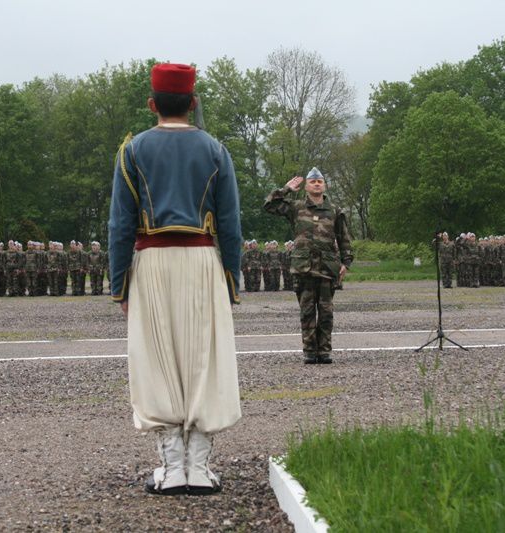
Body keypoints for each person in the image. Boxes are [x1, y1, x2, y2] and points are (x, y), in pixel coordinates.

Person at [108, 63, 242, 496]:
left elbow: (119, 225)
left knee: (156, 359)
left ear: (152, 104)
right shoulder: (216, 150)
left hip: (151, 262)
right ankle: (200, 466)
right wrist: (231, 279)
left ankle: (172, 467)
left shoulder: (133, 150)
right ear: (193, 102)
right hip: (202, 260)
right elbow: (230, 223)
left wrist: (119, 284)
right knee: (205, 358)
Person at [264, 167, 353, 364]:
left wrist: (346, 263)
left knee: (326, 312)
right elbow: (269, 205)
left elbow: (344, 238)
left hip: (327, 269)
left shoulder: (335, 211)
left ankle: (325, 351)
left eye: (320, 181)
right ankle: (310, 352)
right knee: (307, 312)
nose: (317, 184)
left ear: (325, 185)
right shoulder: (296, 207)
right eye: (313, 181)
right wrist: (286, 189)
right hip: (303, 268)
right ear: (306, 186)